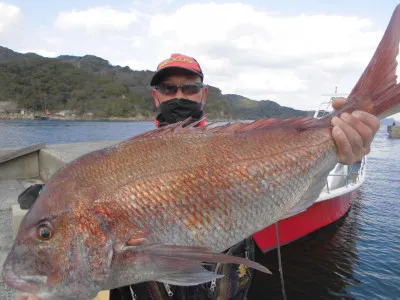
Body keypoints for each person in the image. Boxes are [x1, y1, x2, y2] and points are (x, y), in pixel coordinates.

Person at [16, 53, 380, 300]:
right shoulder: (118, 162)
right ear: (156, 96)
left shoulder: (236, 145)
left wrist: (341, 145)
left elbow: (289, 196)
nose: (179, 94)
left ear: (203, 94)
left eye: (189, 88)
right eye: (169, 88)